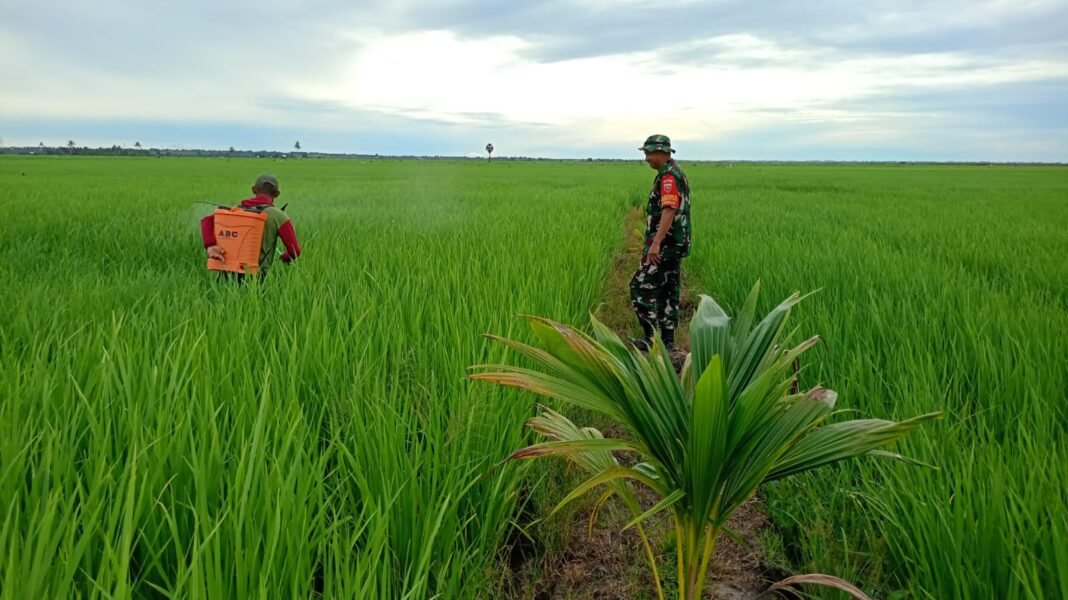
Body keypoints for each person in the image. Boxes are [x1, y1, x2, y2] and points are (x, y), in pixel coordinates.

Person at [630, 135, 691, 351]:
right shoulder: (674, 173)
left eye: (649, 153)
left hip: (665, 246)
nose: (646, 158)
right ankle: (667, 343)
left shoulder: (668, 177)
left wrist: (656, 243)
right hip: (674, 245)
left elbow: (669, 209)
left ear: (661, 152)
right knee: (667, 291)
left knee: (640, 286)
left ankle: (652, 339)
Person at [200, 174, 301, 281]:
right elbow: (295, 251)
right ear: (277, 194)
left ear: (254, 190)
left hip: (227, 271)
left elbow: (207, 220)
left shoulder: (237, 210)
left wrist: (210, 245)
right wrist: (285, 257)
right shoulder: (278, 215)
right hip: (257, 275)